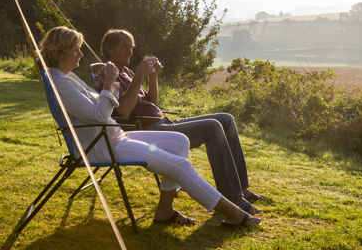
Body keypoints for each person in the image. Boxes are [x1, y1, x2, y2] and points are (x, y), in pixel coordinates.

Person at [40, 26, 261, 228]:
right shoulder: (60, 83)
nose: (80, 54)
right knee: (180, 166)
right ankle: (233, 213)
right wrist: (108, 82)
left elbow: (101, 107)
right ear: (60, 51)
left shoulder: (69, 78)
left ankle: (165, 209)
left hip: (115, 137)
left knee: (180, 141)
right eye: (75, 50)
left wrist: (122, 82)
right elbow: (99, 114)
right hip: (104, 146)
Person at [96, 29, 266, 215]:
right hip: (149, 130)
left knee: (226, 119)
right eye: (124, 47)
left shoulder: (126, 72)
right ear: (110, 49)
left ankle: (241, 188)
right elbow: (124, 111)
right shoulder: (109, 74)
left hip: (163, 122)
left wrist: (152, 77)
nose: (130, 52)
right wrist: (139, 76)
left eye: (131, 47)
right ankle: (233, 197)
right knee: (212, 127)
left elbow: (151, 103)